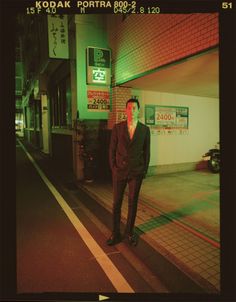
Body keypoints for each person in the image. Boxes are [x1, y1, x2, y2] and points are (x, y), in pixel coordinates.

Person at [107, 98, 150, 246]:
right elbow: (112, 149)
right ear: (125, 110)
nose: (131, 111)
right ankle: (115, 233)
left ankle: (129, 232)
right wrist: (114, 168)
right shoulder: (118, 128)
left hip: (136, 173)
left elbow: (147, 152)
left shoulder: (145, 130)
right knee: (116, 203)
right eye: (129, 108)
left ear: (138, 110)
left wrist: (144, 170)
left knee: (133, 203)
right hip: (119, 172)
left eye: (134, 108)